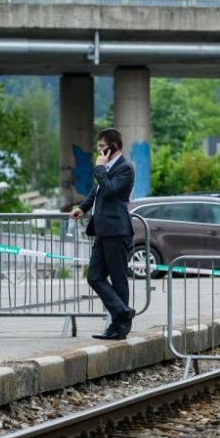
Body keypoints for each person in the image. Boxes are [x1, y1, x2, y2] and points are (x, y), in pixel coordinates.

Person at [70, 128, 136, 340]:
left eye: (101, 146)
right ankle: (121, 313)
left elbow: (109, 189)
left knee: (118, 279)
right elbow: (97, 192)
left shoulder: (125, 168)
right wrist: (83, 208)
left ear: (113, 146)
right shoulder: (107, 168)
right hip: (102, 231)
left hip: (117, 230)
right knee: (94, 276)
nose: (98, 150)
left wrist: (99, 169)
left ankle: (119, 326)